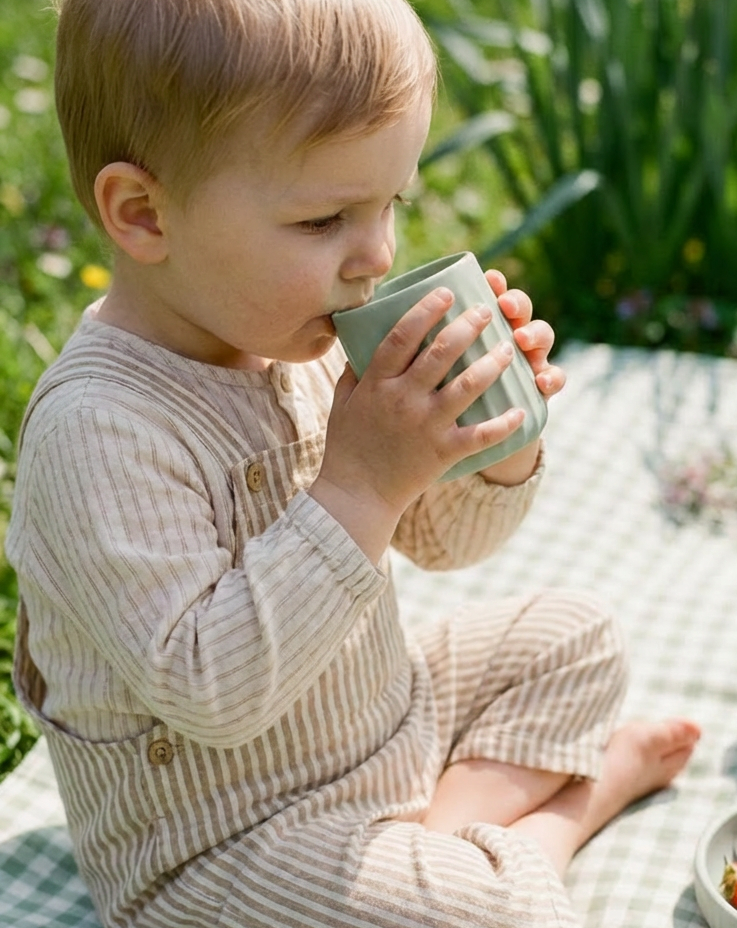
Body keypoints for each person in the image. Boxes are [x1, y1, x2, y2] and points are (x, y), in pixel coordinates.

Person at [6, 1, 701, 926]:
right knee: (495, 918)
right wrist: (361, 481)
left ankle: (439, 836)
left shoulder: (296, 340)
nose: (375, 257)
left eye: (391, 205)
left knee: (576, 633)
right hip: (226, 845)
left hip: (384, 728)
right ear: (143, 213)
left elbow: (438, 542)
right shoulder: (100, 431)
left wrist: (493, 445)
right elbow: (212, 693)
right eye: (325, 219)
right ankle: (559, 823)